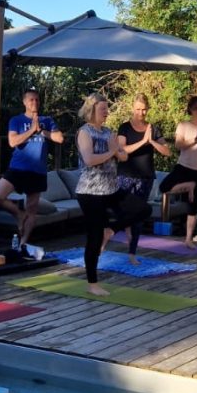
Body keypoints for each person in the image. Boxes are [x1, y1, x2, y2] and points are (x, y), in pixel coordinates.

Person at [76, 93, 144, 295]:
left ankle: (111, 230)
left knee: (142, 210)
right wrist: (112, 152)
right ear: (92, 110)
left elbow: (123, 156)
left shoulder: (108, 132)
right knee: (94, 238)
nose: (106, 112)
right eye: (102, 109)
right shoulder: (85, 132)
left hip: (111, 189)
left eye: (107, 108)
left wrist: (117, 152)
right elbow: (89, 160)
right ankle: (92, 284)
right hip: (90, 192)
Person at [0, 89, 64, 248]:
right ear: (24, 102)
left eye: (37, 100)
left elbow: (59, 138)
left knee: (32, 209)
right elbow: (13, 142)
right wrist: (31, 130)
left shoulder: (47, 120)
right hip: (17, 167)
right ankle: (19, 214)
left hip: (37, 170)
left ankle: (23, 244)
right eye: (31, 99)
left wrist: (42, 131)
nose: (35, 102)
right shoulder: (17, 120)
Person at [159, 96, 197, 247]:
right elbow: (178, 145)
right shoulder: (183, 125)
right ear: (190, 110)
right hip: (184, 166)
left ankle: (188, 239)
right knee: (164, 187)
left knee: (193, 206)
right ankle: (189, 186)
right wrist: (195, 139)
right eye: (195, 108)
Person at [117, 93, 170, 262]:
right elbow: (121, 150)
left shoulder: (153, 129)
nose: (141, 113)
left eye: (144, 110)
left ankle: (132, 253)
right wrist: (142, 142)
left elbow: (167, 152)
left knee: (138, 215)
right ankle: (124, 233)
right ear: (133, 108)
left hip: (145, 177)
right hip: (125, 176)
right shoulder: (124, 127)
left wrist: (151, 141)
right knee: (124, 211)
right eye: (138, 109)